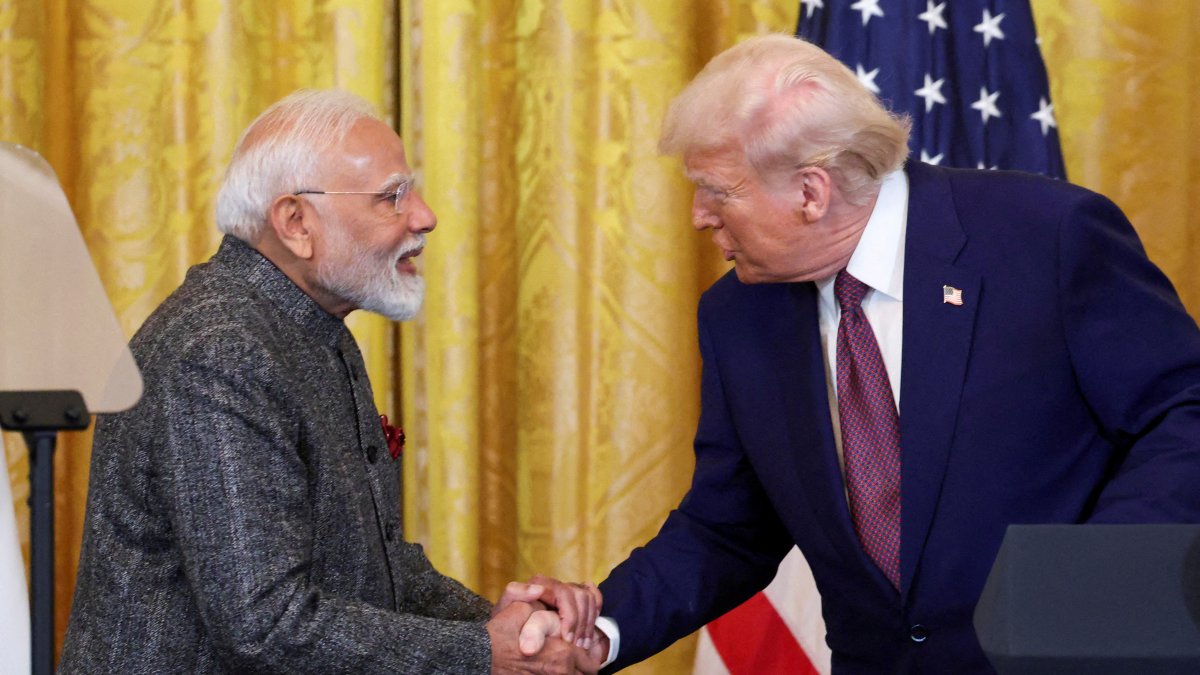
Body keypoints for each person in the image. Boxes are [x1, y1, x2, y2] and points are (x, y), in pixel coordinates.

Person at [593, 34, 1200, 672]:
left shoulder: (1045, 238)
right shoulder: (738, 316)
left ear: (810, 191)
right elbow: (726, 526)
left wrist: (1096, 580)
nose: (698, 216)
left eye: (718, 190)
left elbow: (1183, 411)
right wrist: (602, 629)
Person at [60, 89, 604, 674]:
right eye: (392, 196)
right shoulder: (218, 349)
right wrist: (484, 654)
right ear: (296, 223)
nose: (425, 215)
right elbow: (265, 623)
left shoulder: (310, 326)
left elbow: (376, 568)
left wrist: (502, 624)